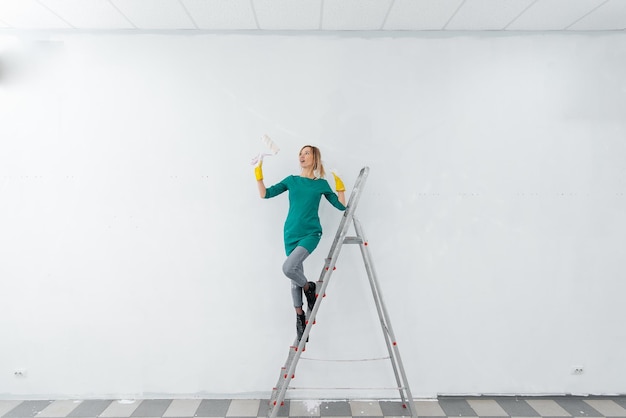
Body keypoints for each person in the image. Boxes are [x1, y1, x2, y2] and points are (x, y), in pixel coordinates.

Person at [255, 145, 347, 341]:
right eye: (300, 153)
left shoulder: (321, 184)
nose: (302, 156)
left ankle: (309, 288)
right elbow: (265, 194)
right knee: (294, 276)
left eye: (307, 153)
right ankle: (300, 316)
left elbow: (340, 206)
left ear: (315, 159)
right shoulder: (292, 180)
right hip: (290, 234)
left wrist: (339, 183)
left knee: (289, 268)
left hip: (311, 233)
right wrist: (259, 170)